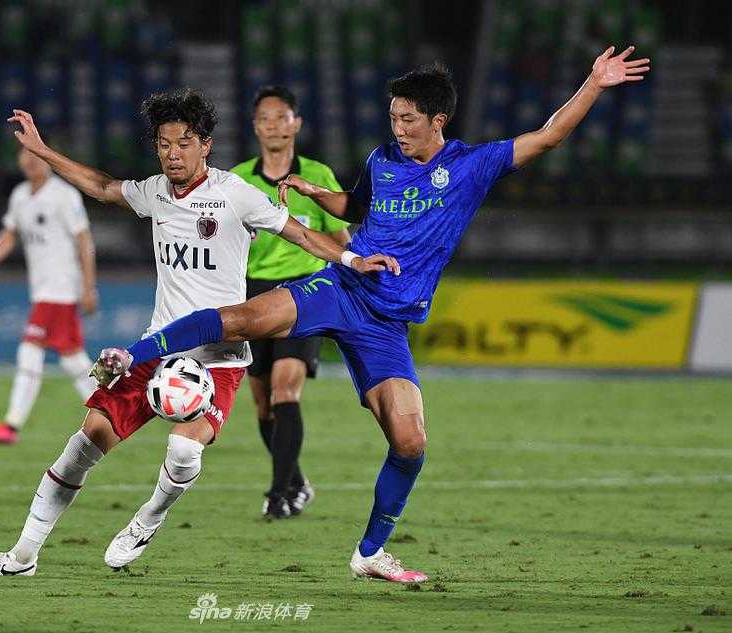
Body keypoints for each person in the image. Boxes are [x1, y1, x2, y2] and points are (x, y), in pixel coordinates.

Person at [92, 47, 651, 583]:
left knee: (410, 443)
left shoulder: (471, 165)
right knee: (240, 318)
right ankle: (132, 356)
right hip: (343, 285)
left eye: (408, 119)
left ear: (439, 120)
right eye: (392, 117)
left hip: (387, 324)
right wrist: (317, 192)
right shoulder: (382, 160)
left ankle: (370, 553)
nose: (398, 128)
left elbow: (548, 137)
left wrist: (594, 85)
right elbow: (357, 208)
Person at [0, 88, 395, 576]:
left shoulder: (234, 193)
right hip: (157, 348)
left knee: (185, 449)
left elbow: (300, 233)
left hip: (220, 357)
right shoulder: (154, 192)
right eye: (164, 144)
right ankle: (22, 556)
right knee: (83, 444)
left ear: (205, 145)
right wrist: (42, 151)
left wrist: (354, 259)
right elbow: (103, 187)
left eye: (184, 143)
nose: (173, 153)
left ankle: (149, 517)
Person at [231, 85, 350, 519]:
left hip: (305, 296)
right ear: (255, 126)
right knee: (263, 403)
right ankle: (297, 483)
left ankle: (280, 494)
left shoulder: (317, 176)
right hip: (252, 296)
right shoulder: (237, 180)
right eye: (265, 118)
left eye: (282, 117)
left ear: (296, 123)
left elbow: (341, 241)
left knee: (286, 390)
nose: (274, 125)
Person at [0, 147, 99, 445]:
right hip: (43, 291)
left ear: (48, 159)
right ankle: (112, 410)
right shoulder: (21, 196)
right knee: (72, 359)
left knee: (31, 350)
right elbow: (8, 236)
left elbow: (83, 239)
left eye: (36, 155)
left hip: (61, 289)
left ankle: (11, 426)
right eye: (24, 155)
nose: (30, 160)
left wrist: (88, 286)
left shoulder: (64, 195)